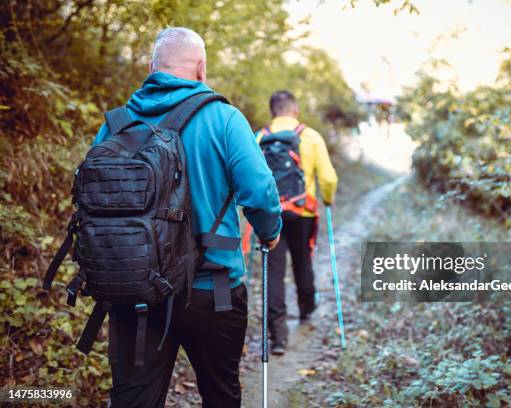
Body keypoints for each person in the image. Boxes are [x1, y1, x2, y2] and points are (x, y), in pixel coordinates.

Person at [92, 27, 281, 408]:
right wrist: (269, 231)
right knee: (220, 392)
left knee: (133, 399)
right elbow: (259, 191)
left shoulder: (117, 124)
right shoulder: (224, 119)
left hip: (135, 287)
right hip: (214, 288)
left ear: (151, 68)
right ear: (201, 68)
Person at [256, 90, 338, 355]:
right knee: (303, 260)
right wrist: (327, 199)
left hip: (270, 215)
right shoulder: (310, 136)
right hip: (303, 213)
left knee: (274, 271)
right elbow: (328, 178)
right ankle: (306, 310)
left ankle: (277, 335)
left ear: (273, 111)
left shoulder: (259, 137)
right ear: (295, 109)